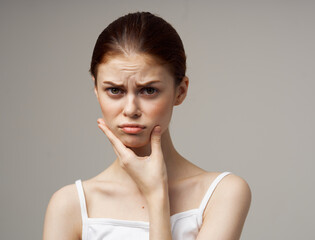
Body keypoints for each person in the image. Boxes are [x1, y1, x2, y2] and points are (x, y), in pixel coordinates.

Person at [43, 11, 251, 240]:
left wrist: (156, 194)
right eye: (115, 90)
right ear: (96, 89)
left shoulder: (223, 193)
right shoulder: (69, 205)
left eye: (149, 90)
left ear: (180, 91)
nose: (131, 109)